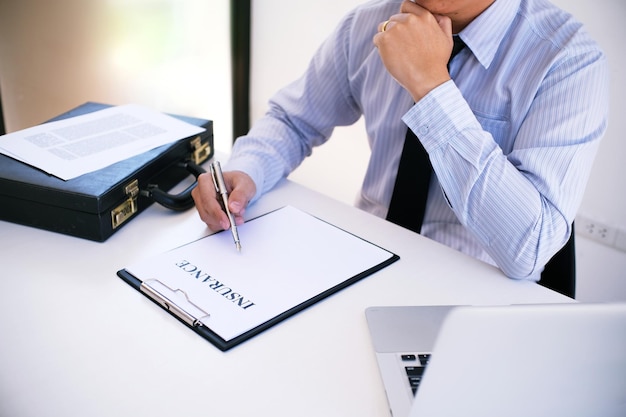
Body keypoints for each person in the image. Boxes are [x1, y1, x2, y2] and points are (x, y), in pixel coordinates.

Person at [191, 0, 608, 281]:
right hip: (365, 261)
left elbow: (530, 248)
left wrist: (431, 87)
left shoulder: (568, 60)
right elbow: (293, 120)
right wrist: (246, 169)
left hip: (480, 291)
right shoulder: (369, 22)